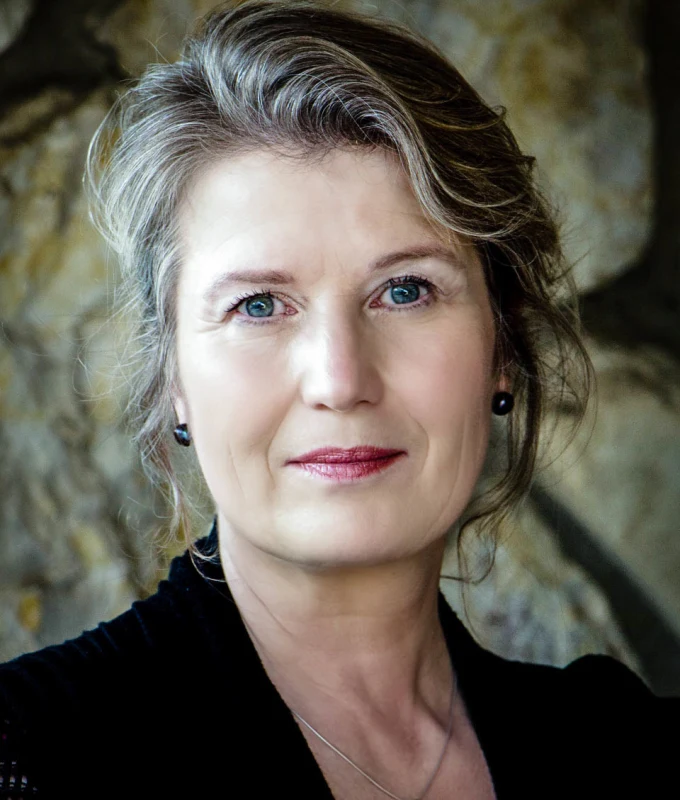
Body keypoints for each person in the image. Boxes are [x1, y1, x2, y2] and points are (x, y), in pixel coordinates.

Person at [0, 1, 676, 797]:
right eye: (259, 305)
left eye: (405, 290)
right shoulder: (27, 755)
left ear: (502, 346)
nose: (340, 379)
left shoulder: (626, 748)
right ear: (174, 376)